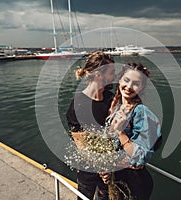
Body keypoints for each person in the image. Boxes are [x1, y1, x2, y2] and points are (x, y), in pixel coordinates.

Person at [101, 63, 162, 200]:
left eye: (136, 83)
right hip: (116, 178)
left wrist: (120, 132)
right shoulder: (117, 106)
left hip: (134, 182)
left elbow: (141, 157)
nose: (129, 87)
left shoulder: (141, 113)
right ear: (120, 80)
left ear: (141, 88)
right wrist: (106, 168)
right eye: (126, 80)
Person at [66, 51, 115, 200]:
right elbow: (82, 146)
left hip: (110, 165)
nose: (114, 76)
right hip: (88, 169)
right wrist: (102, 169)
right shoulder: (78, 106)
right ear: (99, 75)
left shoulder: (110, 98)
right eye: (111, 72)